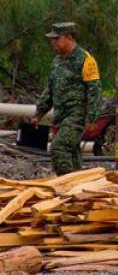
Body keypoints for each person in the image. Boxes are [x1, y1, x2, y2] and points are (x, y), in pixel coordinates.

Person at [31, 22, 102, 175]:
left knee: (59, 147)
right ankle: (77, 186)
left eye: (56, 38)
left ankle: (65, 185)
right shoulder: (57, 61)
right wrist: (39, 114)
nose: (53, 42)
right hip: (61, 117)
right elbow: (50, 90)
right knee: (72, 153)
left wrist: (92, 117)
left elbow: (94, 91)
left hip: (76, 116)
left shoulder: (86, 60)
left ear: (69, 38)